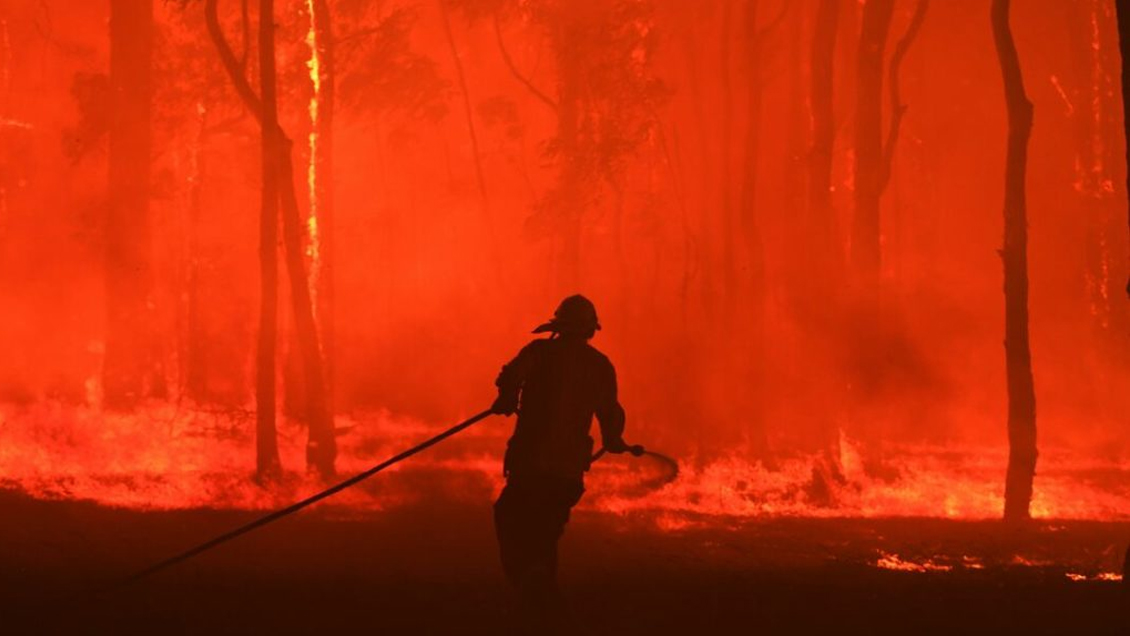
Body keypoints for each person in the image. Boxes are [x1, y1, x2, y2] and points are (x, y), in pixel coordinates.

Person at [491, 295, 629, 628]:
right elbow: (610, 413)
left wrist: (507, 397)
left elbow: (510, 377)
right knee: (544, 533)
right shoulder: (600, 366)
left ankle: (536, 601)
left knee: (512, 521)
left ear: (557, 326)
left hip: (530, 465)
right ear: (589, 330)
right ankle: (539, 603)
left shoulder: (538, 353)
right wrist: (613, 440)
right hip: (566, 473)